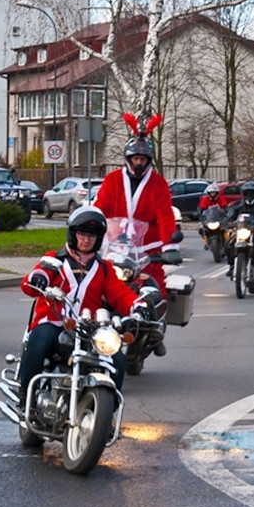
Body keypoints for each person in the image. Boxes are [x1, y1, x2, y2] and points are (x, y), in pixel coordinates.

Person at [18, 206, 156, 405]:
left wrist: (138, 305)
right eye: (82, 234)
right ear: (73, 234)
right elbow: (33, 280)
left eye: (92, 236)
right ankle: (27, 398)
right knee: (38, 343)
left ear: (99, 239)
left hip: (88, 328)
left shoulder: (104, 268)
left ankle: (109, 412)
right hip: (54, 321)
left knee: (117, 359)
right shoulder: (54, 259)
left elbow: (120, 293)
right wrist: (38, 279)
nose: (86, 240)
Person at [93, 112, 178, 356]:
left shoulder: (159, 184)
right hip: (115, 246)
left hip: (146, 249)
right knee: (97, 285)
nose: (139, 163)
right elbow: (101, 208)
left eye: (143, 158)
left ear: (149, 160)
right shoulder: (112, 181)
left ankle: (154, 328)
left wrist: (169, 247)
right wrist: (90, 232)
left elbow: (165, 215)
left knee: (155, 287)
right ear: (128, 158)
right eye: (135, 158)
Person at [198, 182, 228, 247]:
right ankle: (206, 241)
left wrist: (225, 213)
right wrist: (201, 216)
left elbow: (225, 207)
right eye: (211, 193)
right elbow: (202, 209)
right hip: (209, 219)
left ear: (217, 193)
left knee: (226, 228)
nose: (212, 194)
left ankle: (226, 241)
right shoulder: (205, 199)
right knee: (201, 230)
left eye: (214, 193)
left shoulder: (220, 198)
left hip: (219, 218)